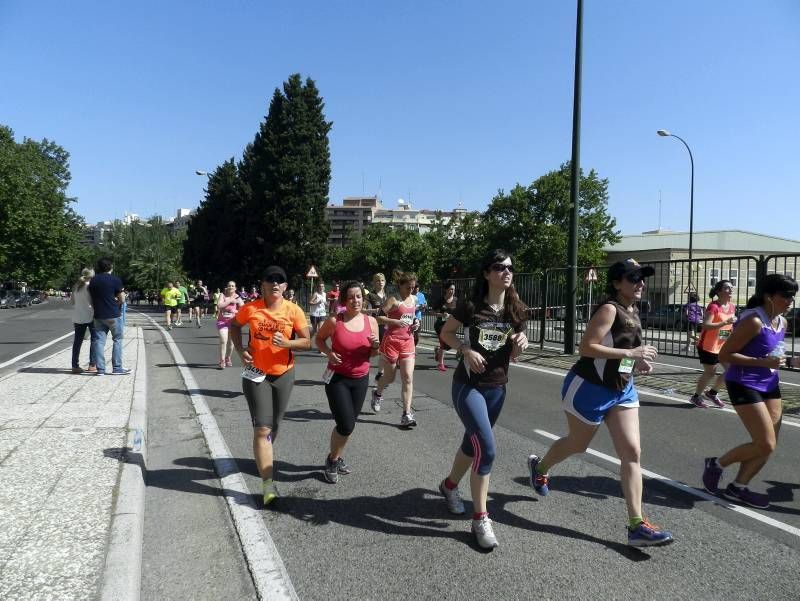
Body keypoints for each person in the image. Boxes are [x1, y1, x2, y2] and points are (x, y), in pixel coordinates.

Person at [527, 258, 674, 548]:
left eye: (642, 278)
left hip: (622, 390)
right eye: (634, 278)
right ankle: (540, 468)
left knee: (632, 451)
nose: (640, 283)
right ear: (617, 283)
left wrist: (637, 362)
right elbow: (587, 347)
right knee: (578, 444)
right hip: (589, 389)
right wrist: (631, 354)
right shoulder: (609, 308)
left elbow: (623, 351)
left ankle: (636, 525)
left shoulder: (633, 310)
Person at [437, 250, 528, 549]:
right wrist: (465, 349)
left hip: (498, 388)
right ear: (487, 273)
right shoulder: (471, 306)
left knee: (471, 443)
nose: (506, 272)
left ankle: (449, 486)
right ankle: (480, 519)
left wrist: (522, 341)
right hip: (469, 387)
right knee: (486, 450)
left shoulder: (515, 309)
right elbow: (446, 333)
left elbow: (519, 340)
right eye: (499, 267)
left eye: (510, 268)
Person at [702, 274, 799, 508]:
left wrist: (790, 361)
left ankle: (738, 487)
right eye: (785, 295)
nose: (790, 300)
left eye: (793, 296)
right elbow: (725, 356)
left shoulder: (782, 322)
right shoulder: (754, 321)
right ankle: (716, 464)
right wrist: (763, 363)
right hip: (744, 383)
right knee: (765, 443)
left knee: (768, 443)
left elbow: (773, 356)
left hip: (770, 385)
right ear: (768, 296)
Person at [230, 266, 311, 506]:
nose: (275, 283)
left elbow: (307, 342)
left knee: (275, 425)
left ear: (285, 286)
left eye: (280, 280)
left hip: (284, 374)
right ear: (262, 284)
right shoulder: (251, 308)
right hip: (256, 373)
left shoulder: (293, 310)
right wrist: (240, 349)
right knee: (262, 429)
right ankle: (268, 484)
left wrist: (287, 342)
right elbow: (234, 325)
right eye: (270, 279)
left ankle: (264, 453)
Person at [315, 281, 380, 483]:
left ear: (363, 298)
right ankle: (332, 460)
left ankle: (337, 456)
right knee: (345, 424)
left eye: (359, 296)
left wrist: (376, 347)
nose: (356, 300)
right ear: (344, 300)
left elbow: (374, 355)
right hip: (337, 379)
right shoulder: (336, 321)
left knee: (349, 425)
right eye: (351, 297)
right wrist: (329, 353)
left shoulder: (372, 322)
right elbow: (318, 339)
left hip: (361, 379)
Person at [372, 270, 419, 427]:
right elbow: (378, 318)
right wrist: (395, 322)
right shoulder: (393, 300)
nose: (410, 291)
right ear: (400, 285)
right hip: (391, 341)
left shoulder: (414, 299)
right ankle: (378, 392)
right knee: (390, 378)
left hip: (408, 341)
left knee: (408, 377)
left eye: (413, 287)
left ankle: (406, 414)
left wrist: (416, 324)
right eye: (408, 288)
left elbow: (413, 317)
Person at [690, 281, 736, 408]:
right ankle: (696, 397)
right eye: (727, 288)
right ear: (719, 291)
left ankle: (712, 393)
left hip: (723, 345)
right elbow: (706, 325)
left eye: (731, 287)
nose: (731, 289)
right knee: (710, 373)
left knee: (732, 370)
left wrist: (731, 333)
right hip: (708, 345)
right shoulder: (713, 306)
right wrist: (724, 322)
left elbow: (728, 327)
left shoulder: (732, 307)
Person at [88, 257, 130, 376]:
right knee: (117, 339)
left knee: (99, 341)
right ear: (111, 267)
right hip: (113, 314)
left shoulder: (93, 280)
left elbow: (91, 300)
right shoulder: (115, 280)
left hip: (98, 315)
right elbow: (122, 299)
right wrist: (116, 303)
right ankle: (117, 368)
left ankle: (100, 369)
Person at [70, 268, 98, 374]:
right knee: (94, 340)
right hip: (90, 315)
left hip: (77, 316)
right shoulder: (90, 286)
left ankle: (74, 365)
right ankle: (92, 364)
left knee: (77, 341)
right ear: (92, 275)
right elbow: (94, 301)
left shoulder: (76, 286)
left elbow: (72, 302)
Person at [365, 273, 388, 385]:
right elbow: (362, 310)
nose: (381, 282)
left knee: (384, 351)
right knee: (371, 351)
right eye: (378, 281)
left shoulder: (387, 296)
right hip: (373, 325)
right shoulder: (370, 296)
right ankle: (362, 371)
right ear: (374, 283)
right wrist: (373, 311)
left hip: (385, 326)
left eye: (382, 280)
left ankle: (380, 373)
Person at [216, 282, 244, 369]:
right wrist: (230, 301)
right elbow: (219, 306)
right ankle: (222, 361)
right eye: (229, 285)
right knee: (223, 341)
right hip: (222, 322)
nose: (230, 287)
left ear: (235, 288)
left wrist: (236, 311)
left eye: (232, 286)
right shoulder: (222, 295)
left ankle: (228, 357)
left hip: (233, 323)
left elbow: (244, 309)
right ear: (226, 287)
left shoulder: (237, 297)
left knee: (231, 343)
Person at [433, 281, 458, 371]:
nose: (452, 291)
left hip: (451, 326)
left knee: (449, 345)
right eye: (450, 289)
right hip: (440, 325)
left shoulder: (456, 300)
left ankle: (438, 351)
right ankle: (441, 364)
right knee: (443, 343)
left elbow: (459, 312)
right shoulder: (441, 300)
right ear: (446, 289)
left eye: (453, 289)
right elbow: (433, 312)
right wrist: (442, 315)